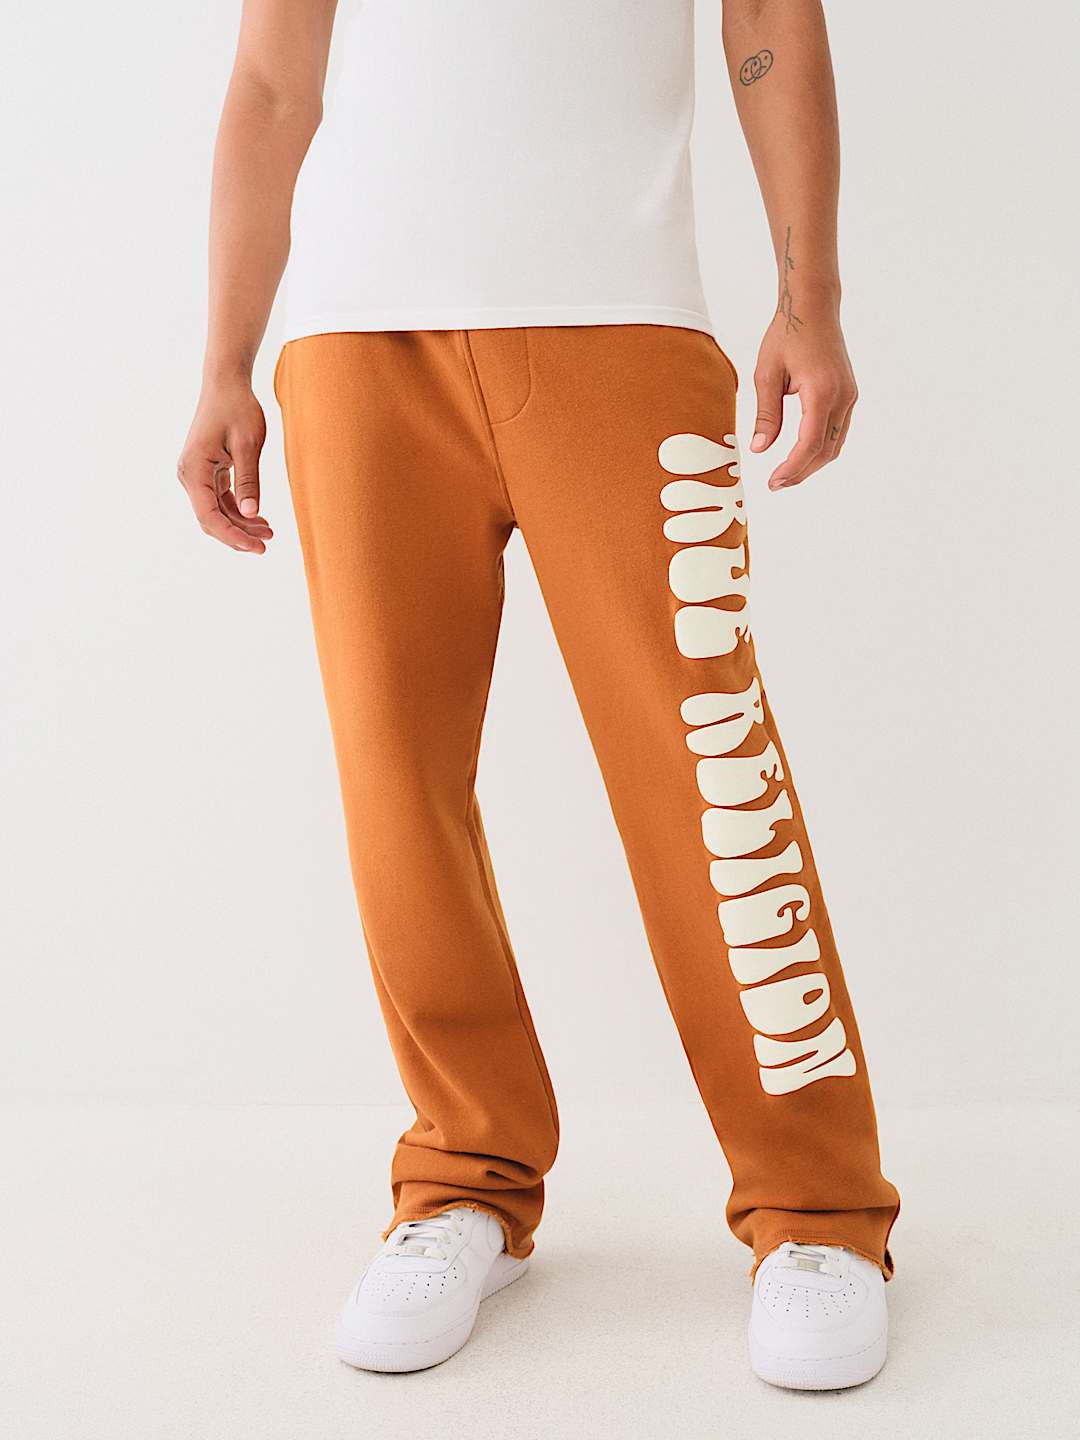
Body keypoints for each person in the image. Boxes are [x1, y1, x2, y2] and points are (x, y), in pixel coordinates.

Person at [178, 0, 900, 1390]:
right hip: (355, 343)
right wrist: (224, 360)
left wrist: (808, 301)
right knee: (396, 784)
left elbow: (768, 21)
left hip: (620, 326)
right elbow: (272, 81)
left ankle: (819, 1209)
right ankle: (464, 1177)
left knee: (709, 777)